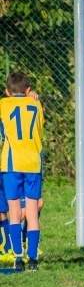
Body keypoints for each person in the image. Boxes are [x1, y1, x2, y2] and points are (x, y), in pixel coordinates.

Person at [0, 72, 45, 272]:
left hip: (11, 164)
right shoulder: (36, 104)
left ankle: (18, 258)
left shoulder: (3, 104)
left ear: (7, 91)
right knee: (33, 213)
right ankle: (33, 260)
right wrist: (32, 97)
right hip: (33, 163)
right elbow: (39, 131)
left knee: (15, 213)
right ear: (28, 90)